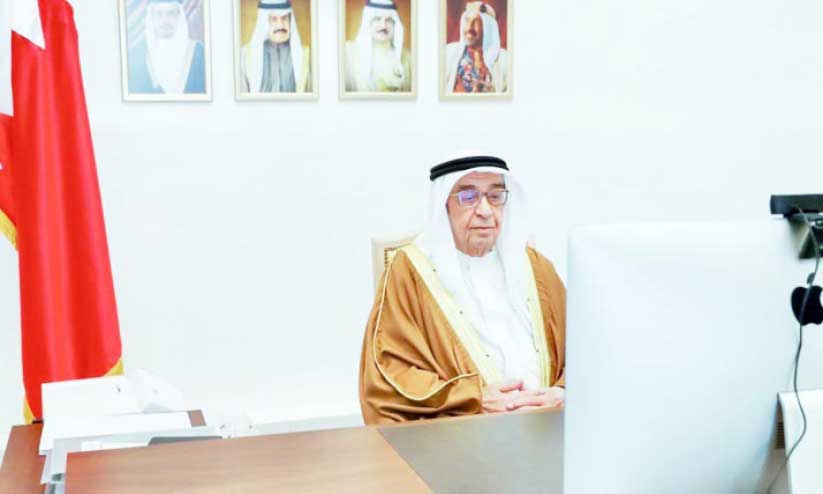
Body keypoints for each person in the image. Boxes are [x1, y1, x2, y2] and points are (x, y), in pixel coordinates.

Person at [359, 156, 566, 424]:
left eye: (495, 196)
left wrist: (562, 392)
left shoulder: (536, 266)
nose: (485, 211)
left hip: (549, 426)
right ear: (444, 205)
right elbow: (391, 373)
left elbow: (585, 348)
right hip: (462, 432)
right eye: (468, 197)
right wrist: (473, 399)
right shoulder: (410, 270)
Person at [127, 0, 206, 95]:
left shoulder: (199, 52)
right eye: (159, 14)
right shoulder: (137, 54)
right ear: (151, 18)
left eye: (171, 13)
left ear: (179, 16)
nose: (165, 21)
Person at [240, 0, 312, 94]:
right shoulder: (246, 55)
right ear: (264, 23)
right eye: (274, 19)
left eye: (285, 18)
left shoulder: (306, 56)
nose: (280, 25)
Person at [344, 0, 412, 93]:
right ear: (368, 23)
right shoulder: (349, 53)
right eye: (377, 19)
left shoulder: (407, 57)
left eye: (388, 20)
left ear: (395, 25)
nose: (383, 26)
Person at [443, 2, 509, 94]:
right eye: (467, 20)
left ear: (489, 28)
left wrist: (492, 93)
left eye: (476, 22)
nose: (469, 28)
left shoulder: (506, 60)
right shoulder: (448, 53)